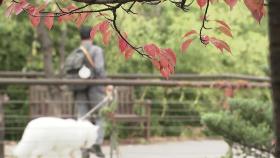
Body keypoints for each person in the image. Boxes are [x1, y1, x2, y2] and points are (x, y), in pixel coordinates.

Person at [69, 26, 107, 158]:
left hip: (79, 89)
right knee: (102, 116)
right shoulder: (96, 50)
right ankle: (96, 143)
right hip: (95, 89)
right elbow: (100, 69)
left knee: (83, 119)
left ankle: (84, 150)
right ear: (92, 36)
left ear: (80, 37)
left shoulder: (76, 52)